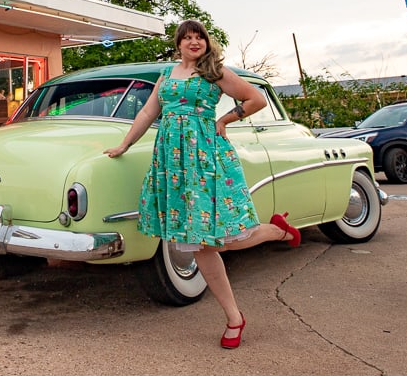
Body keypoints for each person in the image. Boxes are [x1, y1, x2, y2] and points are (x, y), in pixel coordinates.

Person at [104, 19, 300, 349]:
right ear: (178, 44)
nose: (194, 43)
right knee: (201, 245)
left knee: (221, 240)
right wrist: (124, 144)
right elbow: (148, 114)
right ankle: (234, 318)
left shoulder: (215, 72)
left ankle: (278, 231)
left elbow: (255, 100)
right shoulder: (165, 77)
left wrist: (224, 119)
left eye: (200, 38)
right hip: (173, 162)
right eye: (187, 38)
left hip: (206, 159)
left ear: (207, 43)